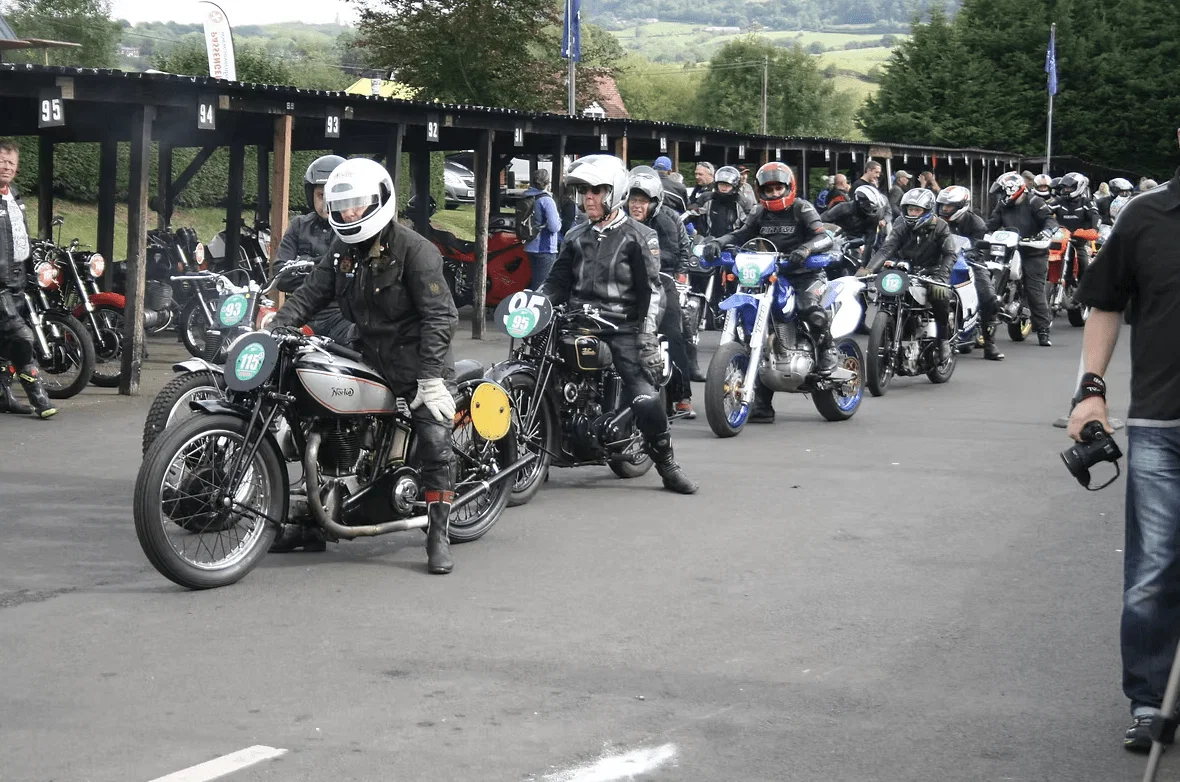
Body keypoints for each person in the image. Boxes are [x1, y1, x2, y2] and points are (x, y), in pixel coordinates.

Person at [268, 157, 462, 573]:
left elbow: (440, 317)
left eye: (357, 204)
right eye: (343, 205)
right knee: (313, 412)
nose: (350, 212)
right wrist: (278, 325)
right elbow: (311, 293)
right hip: (368, 354)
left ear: (380, 200)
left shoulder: (417, 250)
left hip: (418, 363)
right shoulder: (343, 250)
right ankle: (316, 521)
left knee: (433, 437)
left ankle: (437, 532)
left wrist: (430, 378)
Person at [1067, 142, 1180, 753]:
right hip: (1163, 426)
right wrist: (1090, 391)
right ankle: (1149, 700)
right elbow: (1105, 300)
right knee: (1153, 574)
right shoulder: (1145, 216)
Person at [540, 154, 697, 495]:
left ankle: (667, 465)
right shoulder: (576, 234)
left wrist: (646, 335)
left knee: (643, 395)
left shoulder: (638, 236)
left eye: (596, 191)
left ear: (614, 193)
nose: (588, 198)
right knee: (540, 369)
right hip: (576, 322)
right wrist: (535, 303)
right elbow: (556, 282)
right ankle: (542, 453)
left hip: (621, 327)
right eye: (583, 191)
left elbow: (653, 291)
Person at [703, 161, 836, 424]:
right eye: (768, 189)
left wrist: (806, 250)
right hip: (769, 273)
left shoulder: (802, 208)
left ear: (789, 187)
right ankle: (761, 404)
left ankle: (827, 348)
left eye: (778, 188)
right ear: (760, 191)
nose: (774, 193)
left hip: (805, 274)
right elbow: (740, 234)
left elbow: (825, 237)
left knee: (807, 307)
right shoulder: (758, 212)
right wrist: (718, 242)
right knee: (755, 334)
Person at [627, 165, 696, 420]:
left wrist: (645, 255)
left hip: (661, 279)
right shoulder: (619, 220)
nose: (637, 205)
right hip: (628, 280)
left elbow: (674, 253)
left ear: (654, 202)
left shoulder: (666, 220)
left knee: (671, 332)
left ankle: (682, 397)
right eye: (633, 199)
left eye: (642, 200)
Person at [864, 188, 957, 364]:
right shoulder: (901, 223)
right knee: (884, 289)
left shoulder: (940, 226)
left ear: (927, 211)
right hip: (905, 268)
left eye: (917, 210)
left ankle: (943, 340)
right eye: (910, 209)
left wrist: (941, 277)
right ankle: (889, 331)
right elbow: (886, 249)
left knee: (939, 293)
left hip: (933, 270)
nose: (912, 213)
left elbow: (950, 254)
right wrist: (868, 269)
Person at [275, 154, 359, 347]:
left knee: (357, 350)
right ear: (310, 195)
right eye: (321, 195)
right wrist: (324, 275)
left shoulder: (353, 229)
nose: (327, 202)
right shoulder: (298, 225)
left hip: (340, 316)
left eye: (333, 195)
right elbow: (281, 275)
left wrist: (304, 266)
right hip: (300, 313)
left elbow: (351, 280)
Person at [0, 139, 55, 418]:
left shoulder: (15, 195)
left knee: (5, 343)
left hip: (19, 278)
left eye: (11, 162)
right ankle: (39, 398)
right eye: (2, 160)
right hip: (0, 284)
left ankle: (3, 396)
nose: (6, 166)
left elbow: (18, 237)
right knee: (22, 337)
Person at [987, 170, 1059, 346]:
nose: (1001, 196)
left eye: (1002, 192)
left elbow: (1050, 220)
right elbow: (992, 225)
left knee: (1034, 289)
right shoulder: (1002, 206)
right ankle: (986, 322)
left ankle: (1043, 330)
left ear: (1012, 189)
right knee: (989, 278)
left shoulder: (1034, 201)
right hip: (1009, 249)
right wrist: (982, 234)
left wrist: (1046, 232)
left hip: (1033, 251)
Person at [935, 185, 1004, 361]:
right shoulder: (936, 221)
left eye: (949, 206)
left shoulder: (976, 223)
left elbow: (980, 248)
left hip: (970, 262)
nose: (945, 209)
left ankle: (990, 343)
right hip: (941, 262)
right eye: (943, 205)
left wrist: (970, 252)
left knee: (989, 297)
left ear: (961, 205)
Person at [1050, 172, 1100, 281]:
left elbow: (1095, 216)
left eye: (1070, 188)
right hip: (1059, 240)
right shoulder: (1058, 201)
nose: (1066, 190)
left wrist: (1095, 229)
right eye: (1065, 188)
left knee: (1084, 265)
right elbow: (1044, 212)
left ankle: (1083, 290)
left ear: (1079, 187)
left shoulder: (1086, 202)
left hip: (1078, 241)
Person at [821, 184, 885, 266]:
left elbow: (870, 243)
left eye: (873, 206)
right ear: (859, 202)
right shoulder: (843, 208)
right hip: (835, 242)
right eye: (868, 205)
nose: (871, 210)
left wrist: (864, 267)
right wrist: (828, 237)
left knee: (856, 264)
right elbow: (821, 221)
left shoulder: (874, 216)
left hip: (856, 244)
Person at [520, 168, 562, 288]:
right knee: (542, 285)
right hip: (545, 247)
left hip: (529, 244)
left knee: (534, 280)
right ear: (547, 183)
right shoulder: (547, 200)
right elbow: (554, 227)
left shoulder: (526, 197)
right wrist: (559, 222)